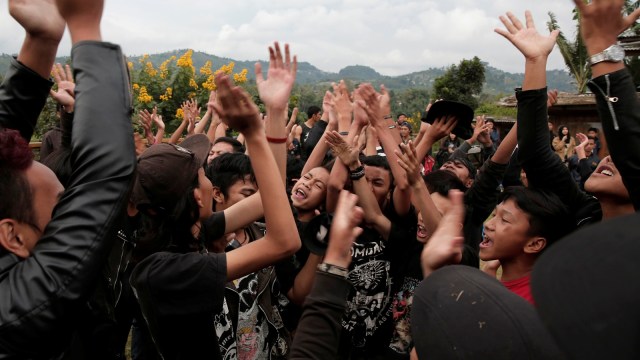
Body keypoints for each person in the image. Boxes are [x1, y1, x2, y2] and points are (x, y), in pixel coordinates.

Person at [0, 0, 136, 357]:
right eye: (64, 210)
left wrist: (42, 40)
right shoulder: (14, 315)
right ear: (12, 235)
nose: (76, 217)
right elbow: (103, 178)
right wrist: (85, 25)